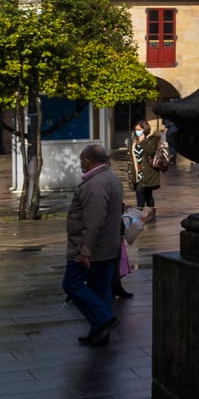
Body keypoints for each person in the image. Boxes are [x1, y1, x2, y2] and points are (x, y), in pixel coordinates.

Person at [64, 144, 124, 347]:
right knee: (100, 287)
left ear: (88, 160)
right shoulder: (111, 178)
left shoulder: (95, 184)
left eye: (82, 159)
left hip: (92, 248)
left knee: (71, 284)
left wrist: (85, 251)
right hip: (108, 246)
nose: (80, 163)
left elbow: (94, 221)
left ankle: (104, 319)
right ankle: (99, 332)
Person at [125, 120, 164, 224]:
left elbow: (151, 151)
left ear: (145, 129)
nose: (137, 131)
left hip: (148, 172)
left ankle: (139, 215)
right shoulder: (134, 140)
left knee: (139, 191)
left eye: (139, 129)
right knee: (148, 194)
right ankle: (151, 214)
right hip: (137, 172)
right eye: (136, 129)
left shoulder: (152, 139)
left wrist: (143, 141)